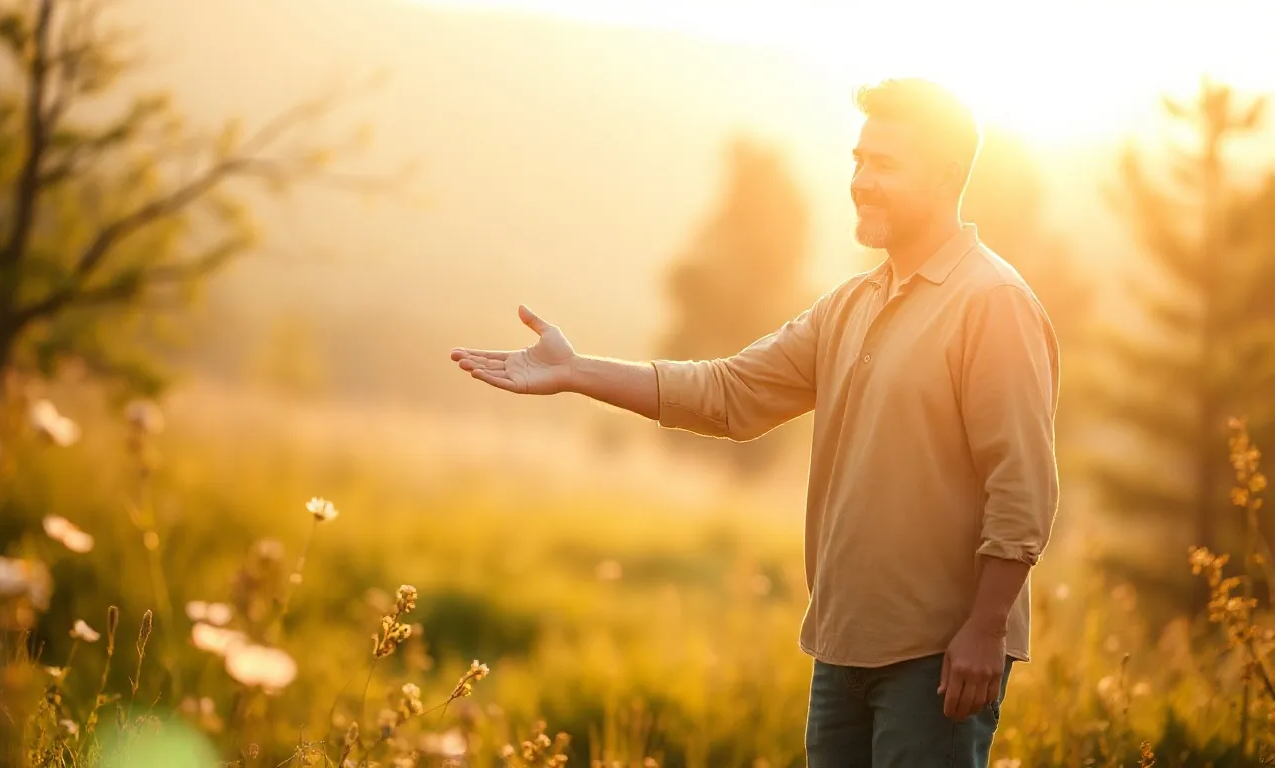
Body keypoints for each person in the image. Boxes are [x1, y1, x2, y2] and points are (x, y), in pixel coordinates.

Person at [449, 77, 1059, 768]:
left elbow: (1023, 481)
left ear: (948, 176)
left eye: (885, 164)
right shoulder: (851, 304)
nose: (861, 180)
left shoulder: (993, 302)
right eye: (858, 160)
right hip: (841, 646)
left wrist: (986, 628)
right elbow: (730, 394)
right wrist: (576, 371)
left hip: (939, 657)